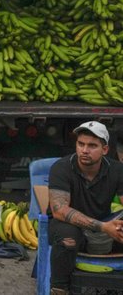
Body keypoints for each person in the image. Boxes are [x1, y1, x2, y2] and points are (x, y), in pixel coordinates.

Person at [48, 121, 123, 295]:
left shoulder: (117, 170)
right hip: (67, 225)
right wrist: (103, 227)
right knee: (68, 238)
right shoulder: (61, 168)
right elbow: (59, 210)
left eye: (92, 145)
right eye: (80, 144)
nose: (84, 150)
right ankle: (59, 289)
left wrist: (112, 226)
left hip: (104, 225)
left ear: (104, 149)